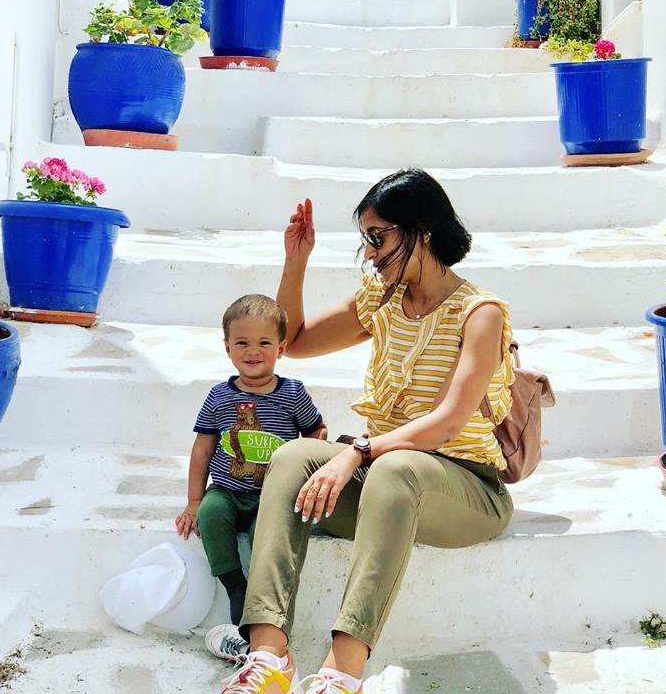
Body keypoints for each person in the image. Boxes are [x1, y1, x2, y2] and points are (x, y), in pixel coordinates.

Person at [218, 169, 516, 694]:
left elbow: (447, 422)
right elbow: (297, 340)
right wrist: (296, 261)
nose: (371, 253)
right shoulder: (381, 299)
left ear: (421, 230)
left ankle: (341, 673)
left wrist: (357, 451)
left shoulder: (479, 313)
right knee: (292, 457)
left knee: (396, 468)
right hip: (386, 486)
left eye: (380, 237)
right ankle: (269, 658)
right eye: (366, 240)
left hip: (466, 493)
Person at [175, 294, 327, 663]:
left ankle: (260, 596)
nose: (253, 351)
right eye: (242, 342)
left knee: (269, 532)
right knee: (211, 515)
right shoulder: (219, 396)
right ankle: (235, 586)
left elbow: (317, 432)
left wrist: (311, 477)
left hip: (271, 497)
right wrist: (194, 501)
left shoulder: (292, 394)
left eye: (264, 343)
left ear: (282, 347)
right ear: (227, 348)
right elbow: (202, 450)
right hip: (226, 490)